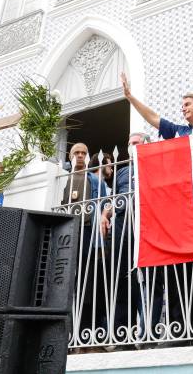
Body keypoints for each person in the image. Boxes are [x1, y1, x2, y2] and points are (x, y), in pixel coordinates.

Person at [121, 73, 193, 345]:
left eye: (188, 104)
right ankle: (185, 329)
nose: (183, 108)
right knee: (182, 271)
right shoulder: (179, 132)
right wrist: (131, 98)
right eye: (182, 105)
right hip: (182, 211)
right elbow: (154, 119)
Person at [100, 132, 148, 343]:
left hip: (146, 224)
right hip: (122, 228)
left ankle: (148, 332)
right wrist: (104, 213)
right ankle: (123, 335)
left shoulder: (152, 162)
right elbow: (115, 199)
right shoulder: (123, 171)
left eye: (136, 142)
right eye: (130, 144)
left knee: (147, 279)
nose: (132, 146)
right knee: (121, 279)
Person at [68, 143, 110, 353]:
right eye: (76, 153)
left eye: (84, 153)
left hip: (89, 236)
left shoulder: (95, 181)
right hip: (66, 235)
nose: (81, 156)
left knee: (90, 285)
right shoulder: (61, 178)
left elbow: (106, 205)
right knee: (66, 285)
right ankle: (69, 335)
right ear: (70, 156)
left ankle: (89, 335)